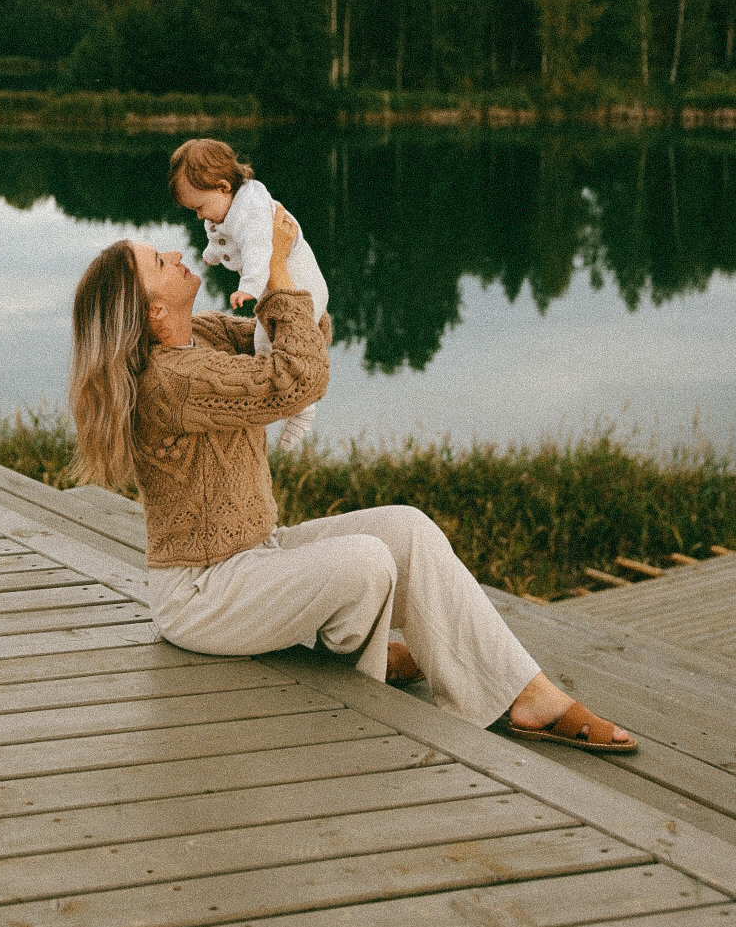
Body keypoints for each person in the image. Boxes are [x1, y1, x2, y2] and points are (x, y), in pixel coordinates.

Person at [69, 207, 636, 752]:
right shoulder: (171, 379)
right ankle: (363, 659)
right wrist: (279, 272)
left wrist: (268, 251)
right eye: (159, 263)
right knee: (366, 560)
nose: (174, 255)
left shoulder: (204, 335)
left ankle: (525, 693)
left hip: (257, 555)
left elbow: (301, 340)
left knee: (408, 529)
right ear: (152, 312)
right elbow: (295, 379)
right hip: (204, 593)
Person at [168, 136, 328, 450]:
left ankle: (302, 405)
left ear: (223, 187)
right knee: (264, 340)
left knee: (265, 344)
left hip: (299, 286)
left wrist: (248, 288)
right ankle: (290, 398)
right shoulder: (226, 206)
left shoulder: (252, 212)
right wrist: (213, 253)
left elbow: (258, 252)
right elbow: (218, 233)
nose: (199, 216)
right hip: (282, 282)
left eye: (199, 207)